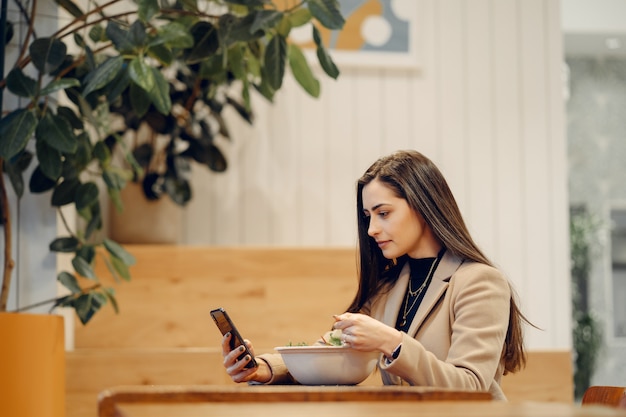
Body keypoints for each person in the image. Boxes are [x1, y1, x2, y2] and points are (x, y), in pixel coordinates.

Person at [221, 149, 530, 400]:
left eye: (384, 213)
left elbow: (471, 387)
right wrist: (262, 368)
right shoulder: (388, 288)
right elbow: (329, 352)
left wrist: (393, 342)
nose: (371, 230)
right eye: (369, 217)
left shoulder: (480, 282)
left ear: (423, 206)